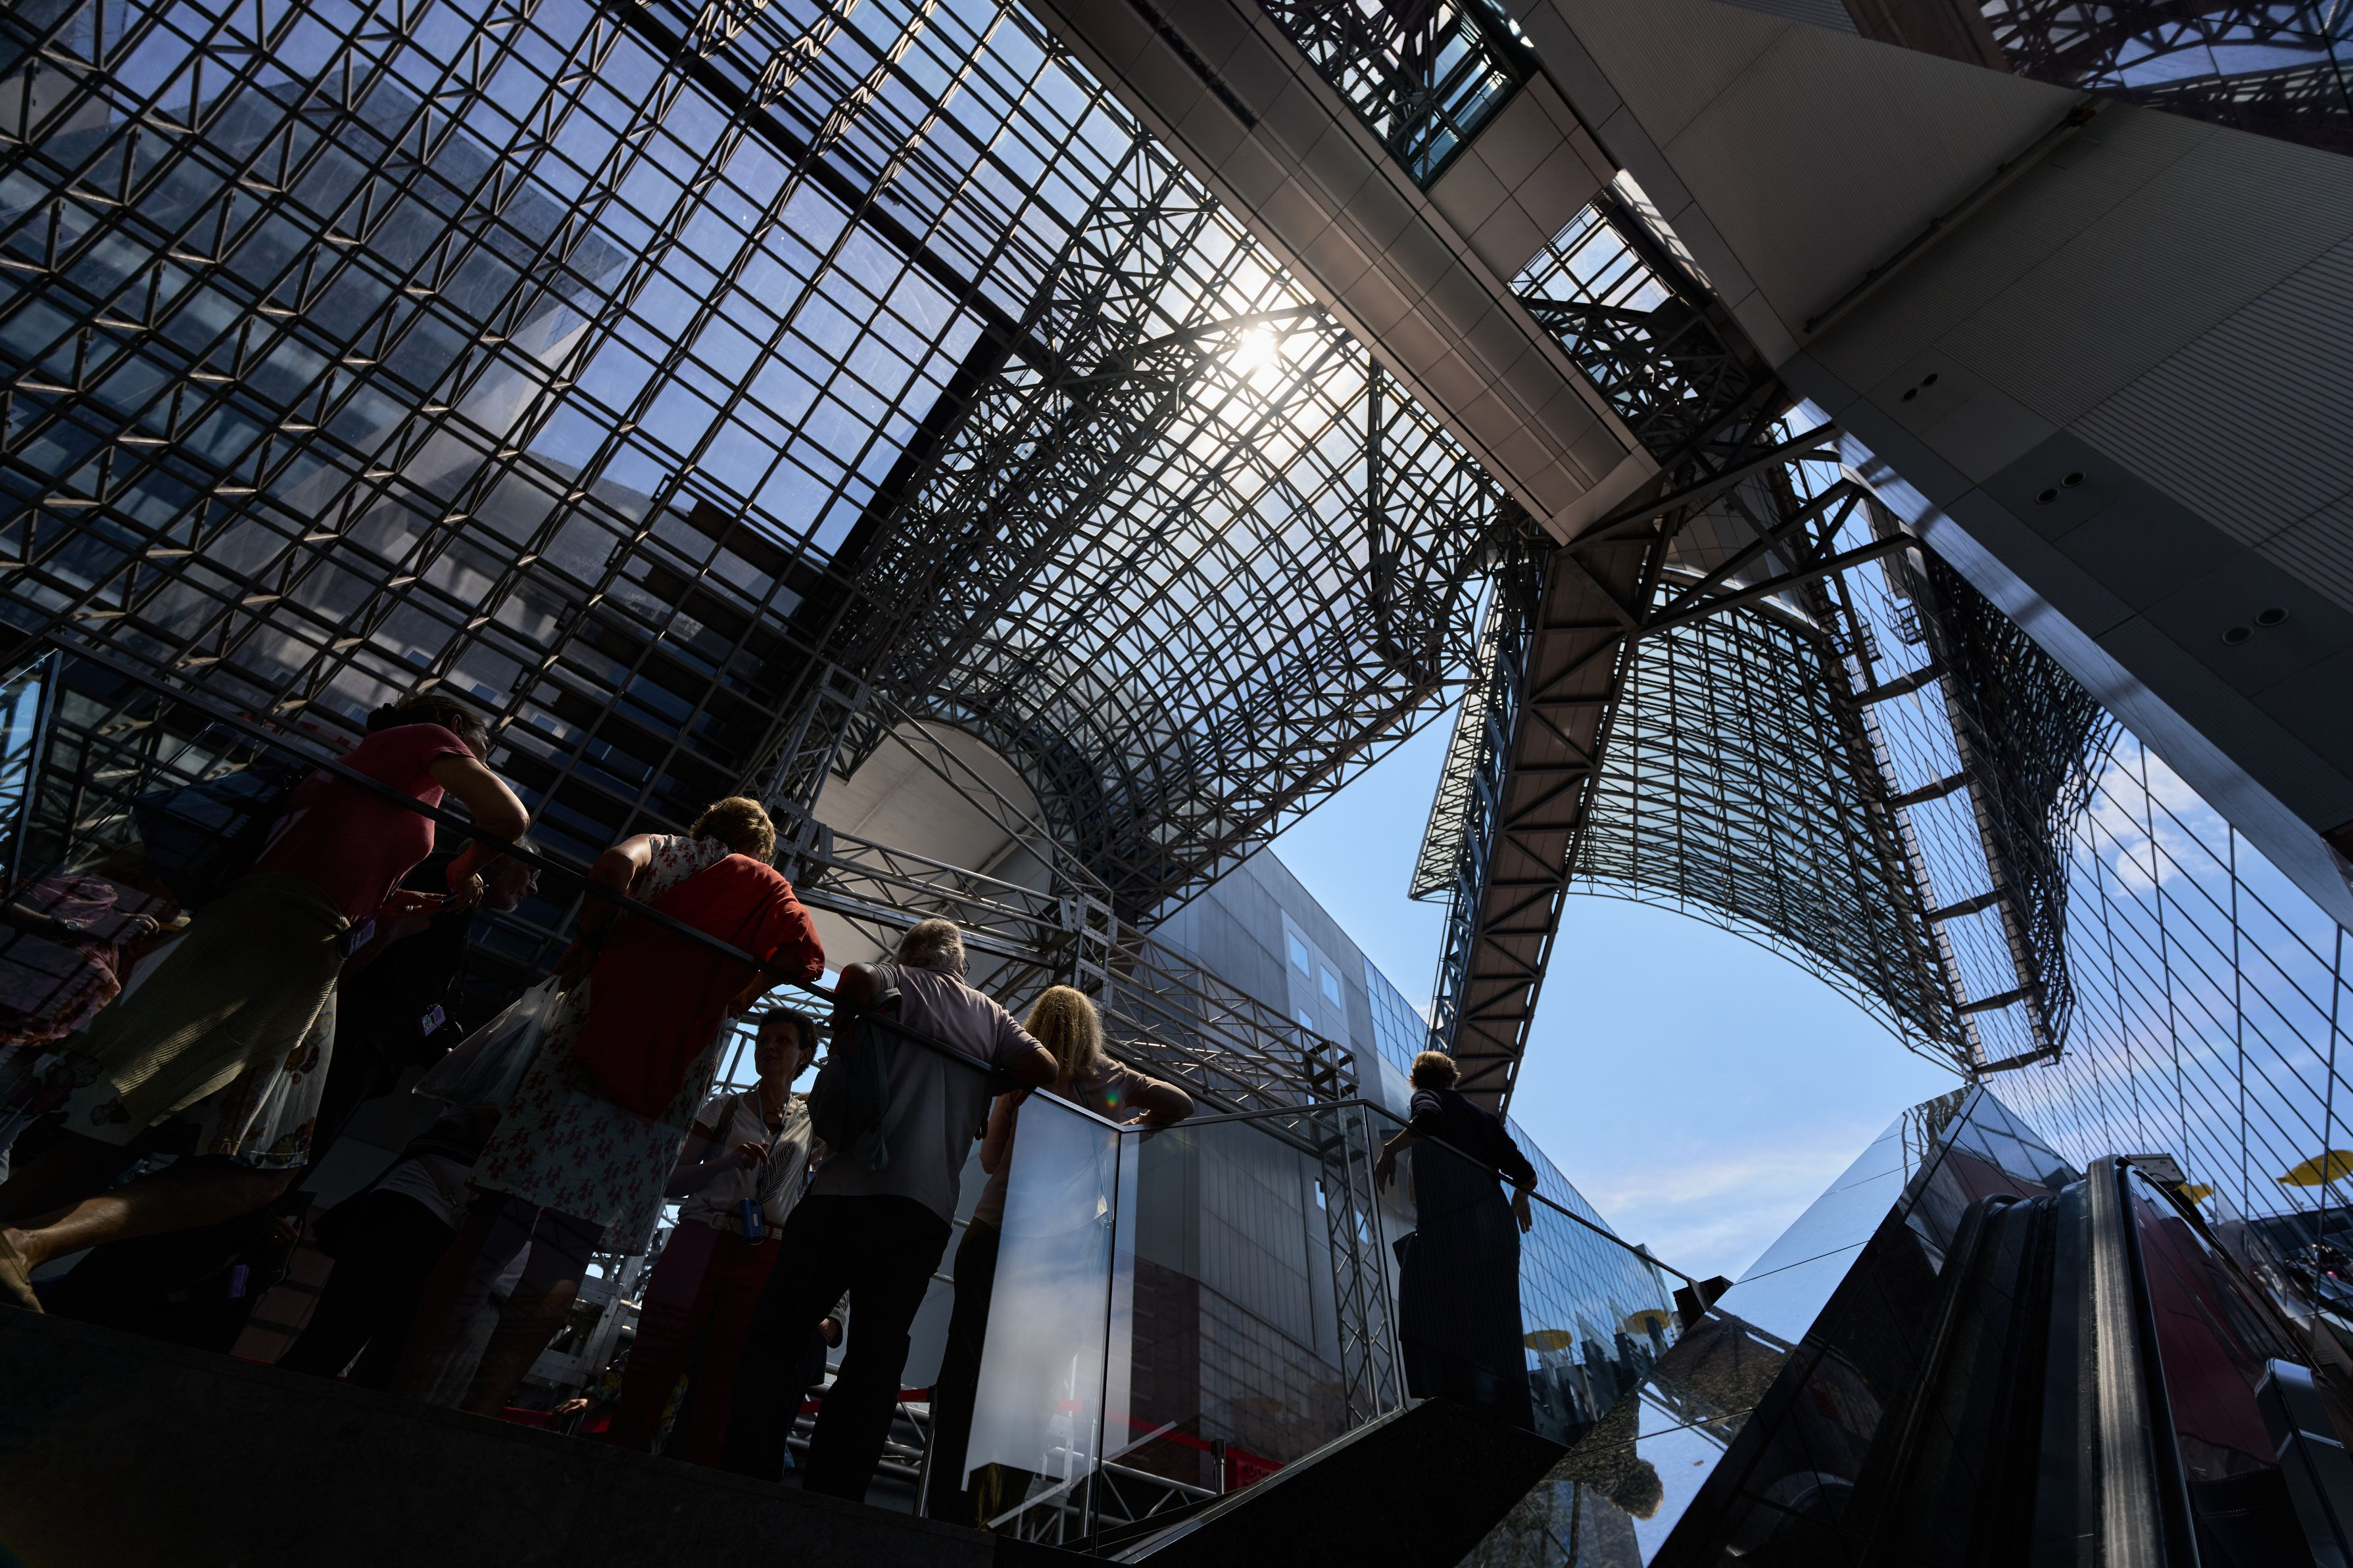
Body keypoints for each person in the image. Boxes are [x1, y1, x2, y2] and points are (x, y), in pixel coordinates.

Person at [0, 693, 528, 1312]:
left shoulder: (372, 770)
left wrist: (389, 903)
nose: (480, 762)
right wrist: (467, 865)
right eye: (483, 750)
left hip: (290, 938)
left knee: (152, 1122)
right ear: (458, 728)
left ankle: (22, 1240)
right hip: (284, 939)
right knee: (205, 1144)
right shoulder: (422, 740)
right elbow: (508, 817)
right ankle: (21, 1243)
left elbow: (328, 866)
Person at [395, 797, 824, 1415]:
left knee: (491, 1230)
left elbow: (612, 867)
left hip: (585, 1047)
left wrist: (594, 938)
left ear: (707, 827)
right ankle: (480, 1412)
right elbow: (805, 954)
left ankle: (409, 1396)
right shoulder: (766, 885)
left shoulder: (668, 849)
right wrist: (746, 989)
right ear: (760, 849)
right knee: (567, 1248)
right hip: (662, 1085)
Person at [723, 918, 1059, 1500]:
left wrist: (848, 1028)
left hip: (842, 1192)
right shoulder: (990, 1015)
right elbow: (1045, 1068)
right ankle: (836, 1493)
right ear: (959, 963)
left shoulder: (897, 979)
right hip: (922, 1211)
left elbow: (855, 976)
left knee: (780, 1329)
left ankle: (743, 1472)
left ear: (910, 953)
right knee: (877, 1354)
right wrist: (985, 1079)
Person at [923, 984, 1192, 1527]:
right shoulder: (1111, 1077)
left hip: (995, 1236)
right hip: (1063, 1260)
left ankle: (946, 1510)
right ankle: (996, 1516)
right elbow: (1181, 1105)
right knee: (1036, 1389)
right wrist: (1123, 1131)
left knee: (968, 1374)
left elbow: (991, 1159)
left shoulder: (1024, 1074)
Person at [603, 1007, 824, 1464]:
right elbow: (671, 1180)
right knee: (656, 1355)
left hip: (764, 1252)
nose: (769, 1047)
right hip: (701, 1239)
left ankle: (696, 1473)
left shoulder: (813, 1120)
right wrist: (724, 1163)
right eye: (764, 1040)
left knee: (729, 1371)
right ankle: (620, 1457)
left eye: (783, 1041)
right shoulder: (723, 1107)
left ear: (804, 1055)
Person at [276, 1105, 500, 1388]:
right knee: (351, 1346)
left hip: (423, 1194)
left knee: (348, 1344)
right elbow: (489, 1118)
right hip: (427, 1199)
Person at [1374, 1049, 1540, 1429]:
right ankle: (1507, 1415)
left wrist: (1390, 1149)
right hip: (1498, 1234)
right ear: (1453, 1077)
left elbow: (1429, 1120)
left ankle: (1455, 1404)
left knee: (1436, 1311)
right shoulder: (1483, 1117)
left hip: (1454, 1229)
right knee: (1495, 1326)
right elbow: (1527, 1174)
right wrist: (1520, 1195)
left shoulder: (1426, 1097)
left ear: (1418, 1080)